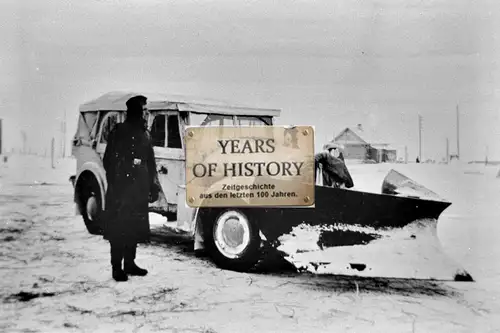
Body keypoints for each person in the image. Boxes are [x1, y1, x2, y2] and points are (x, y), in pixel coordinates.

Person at [102, 95, 161, 282]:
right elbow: (108, 160)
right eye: (144, 110)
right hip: (122, 192)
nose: (146, 113)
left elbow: (150, 162)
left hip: (139, 191)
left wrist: (153, 185)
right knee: (119, 228)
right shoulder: (119, 131)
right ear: (135, 111)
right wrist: (122, 177)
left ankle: (130, 263)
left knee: (134, 228)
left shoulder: (145, 134)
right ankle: (116, 267)